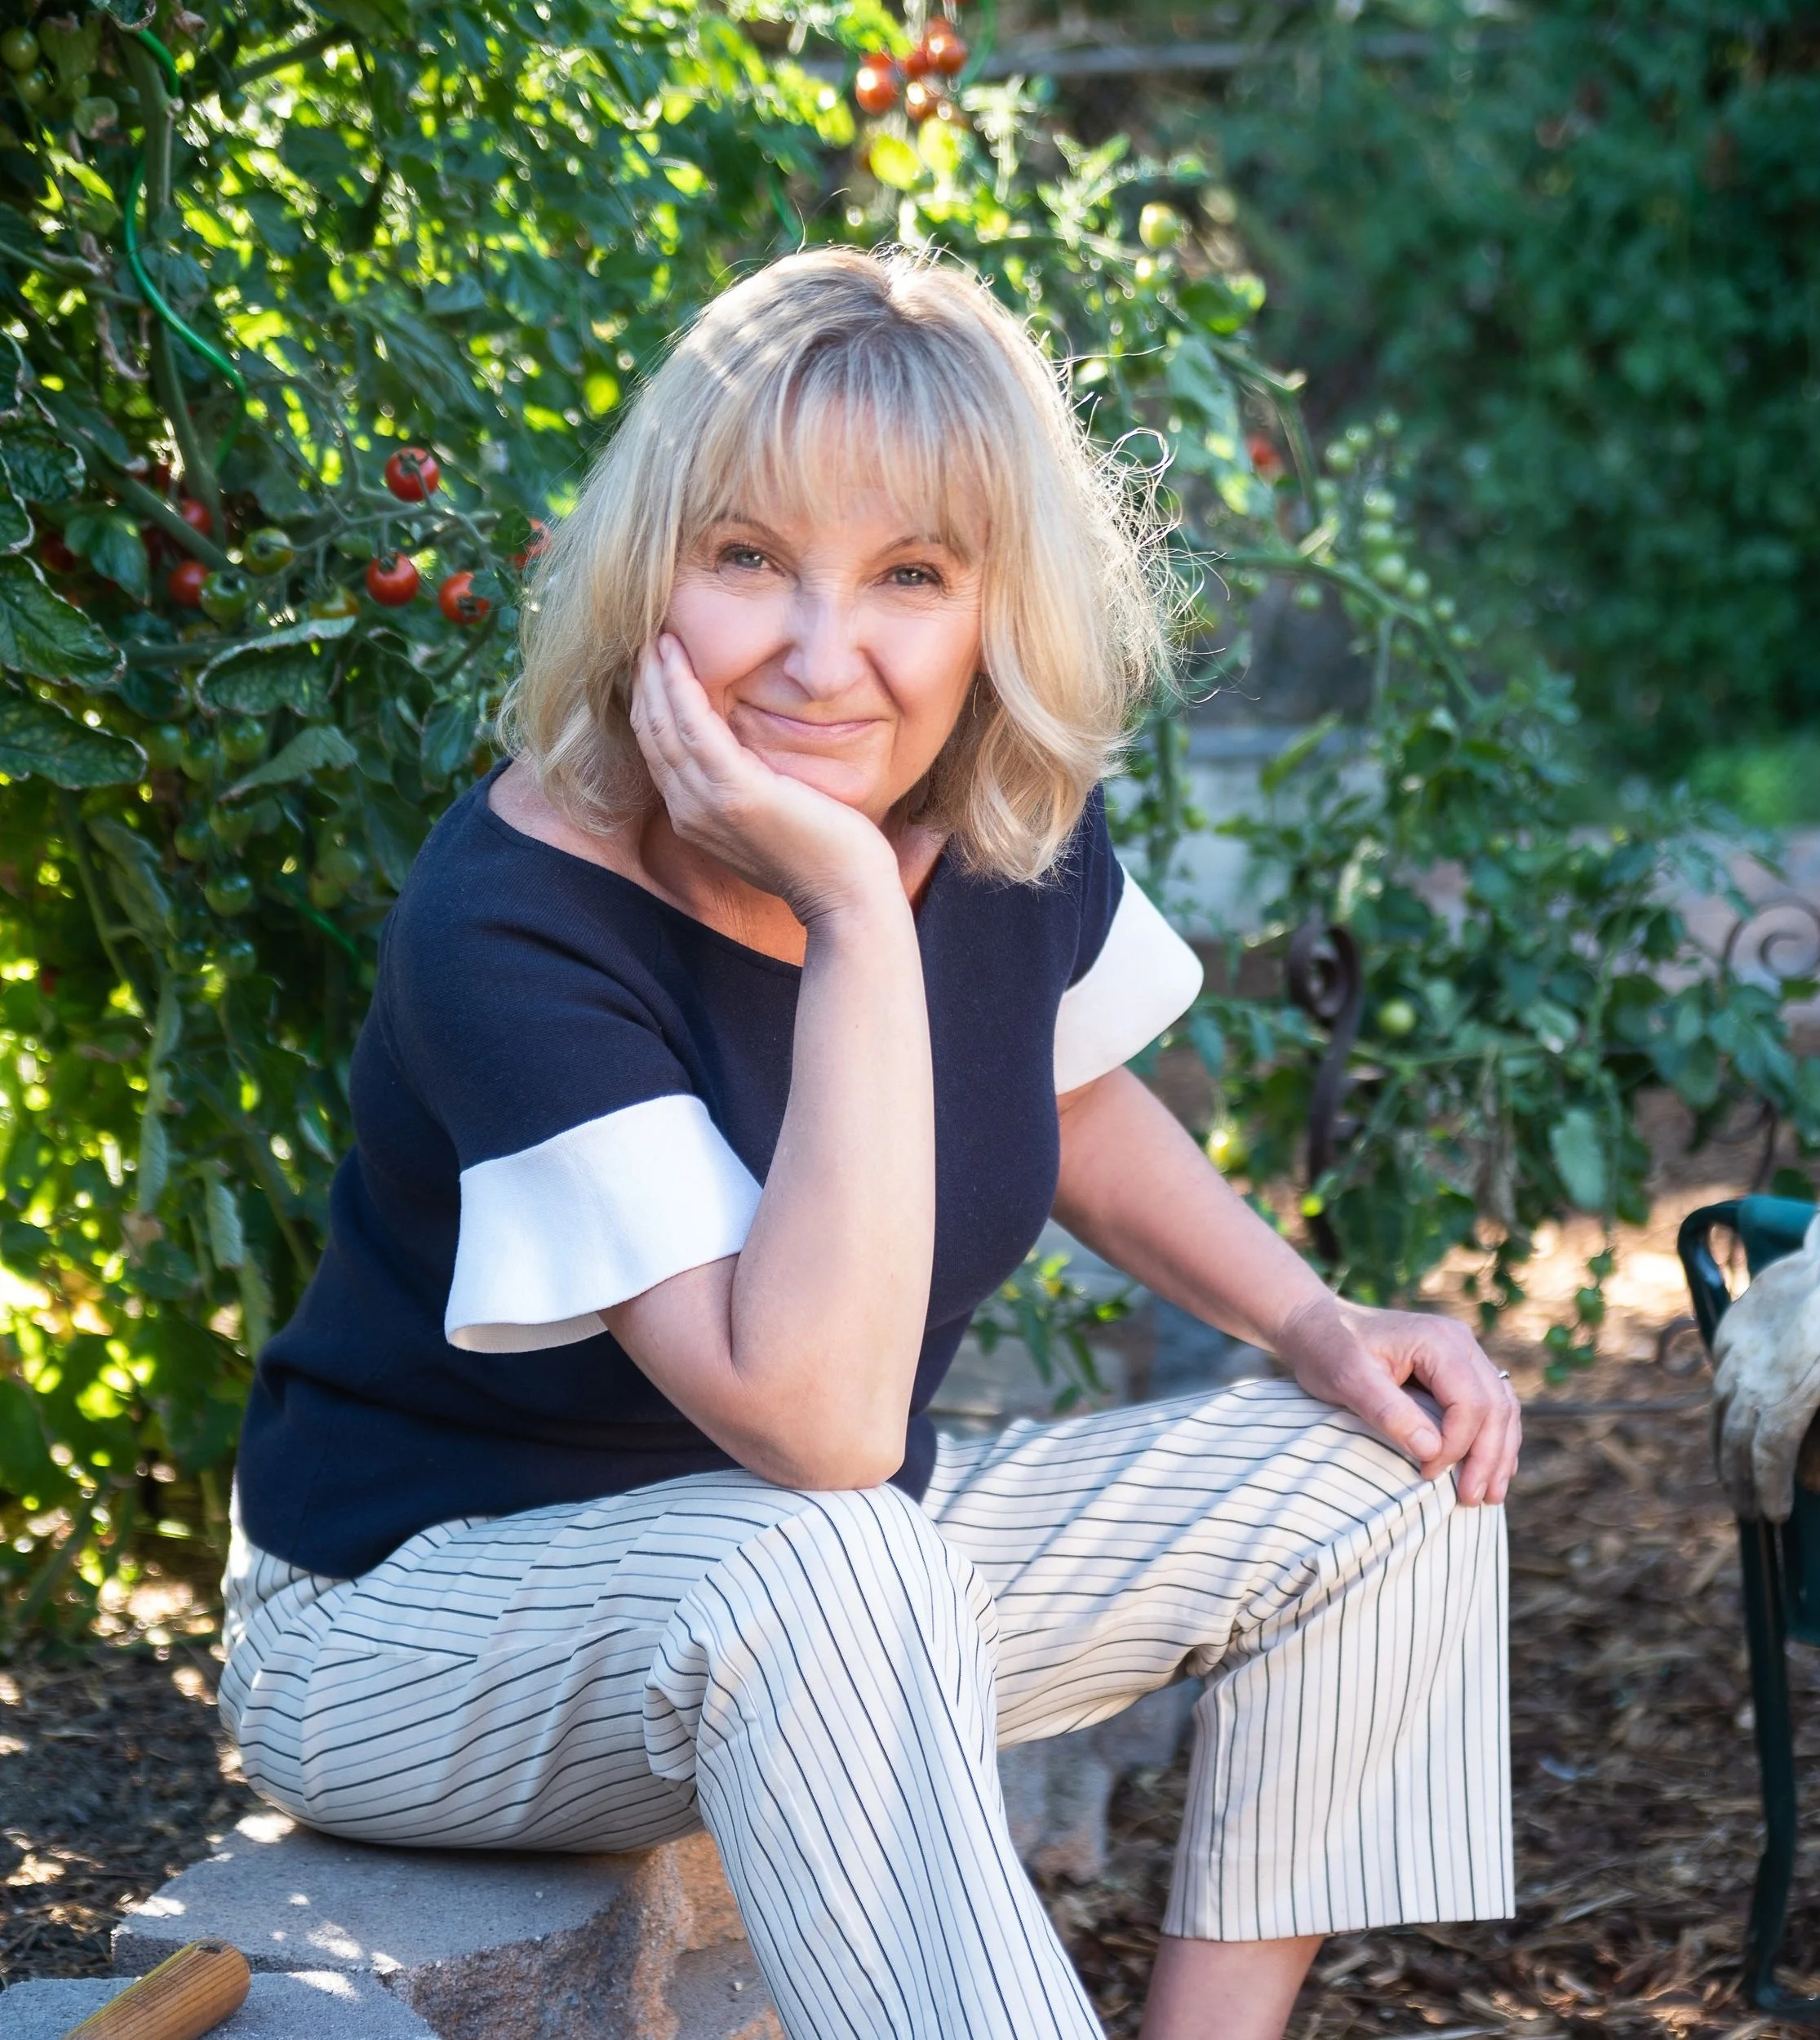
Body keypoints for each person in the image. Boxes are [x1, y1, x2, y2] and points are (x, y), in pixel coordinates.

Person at [219, 247, 1520, 2040]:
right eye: (748, 557)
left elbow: (1062, 1092)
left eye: (908, 574)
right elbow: (813, 1425)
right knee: (833, 1542)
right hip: (412, 1626)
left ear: (996, 604)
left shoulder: (990, 818)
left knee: (1397, 1475)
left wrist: (1309, 1323)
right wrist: (846, 904)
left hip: (812, 1590)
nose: (824, 659)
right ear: (647, 567)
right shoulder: (515, 919)